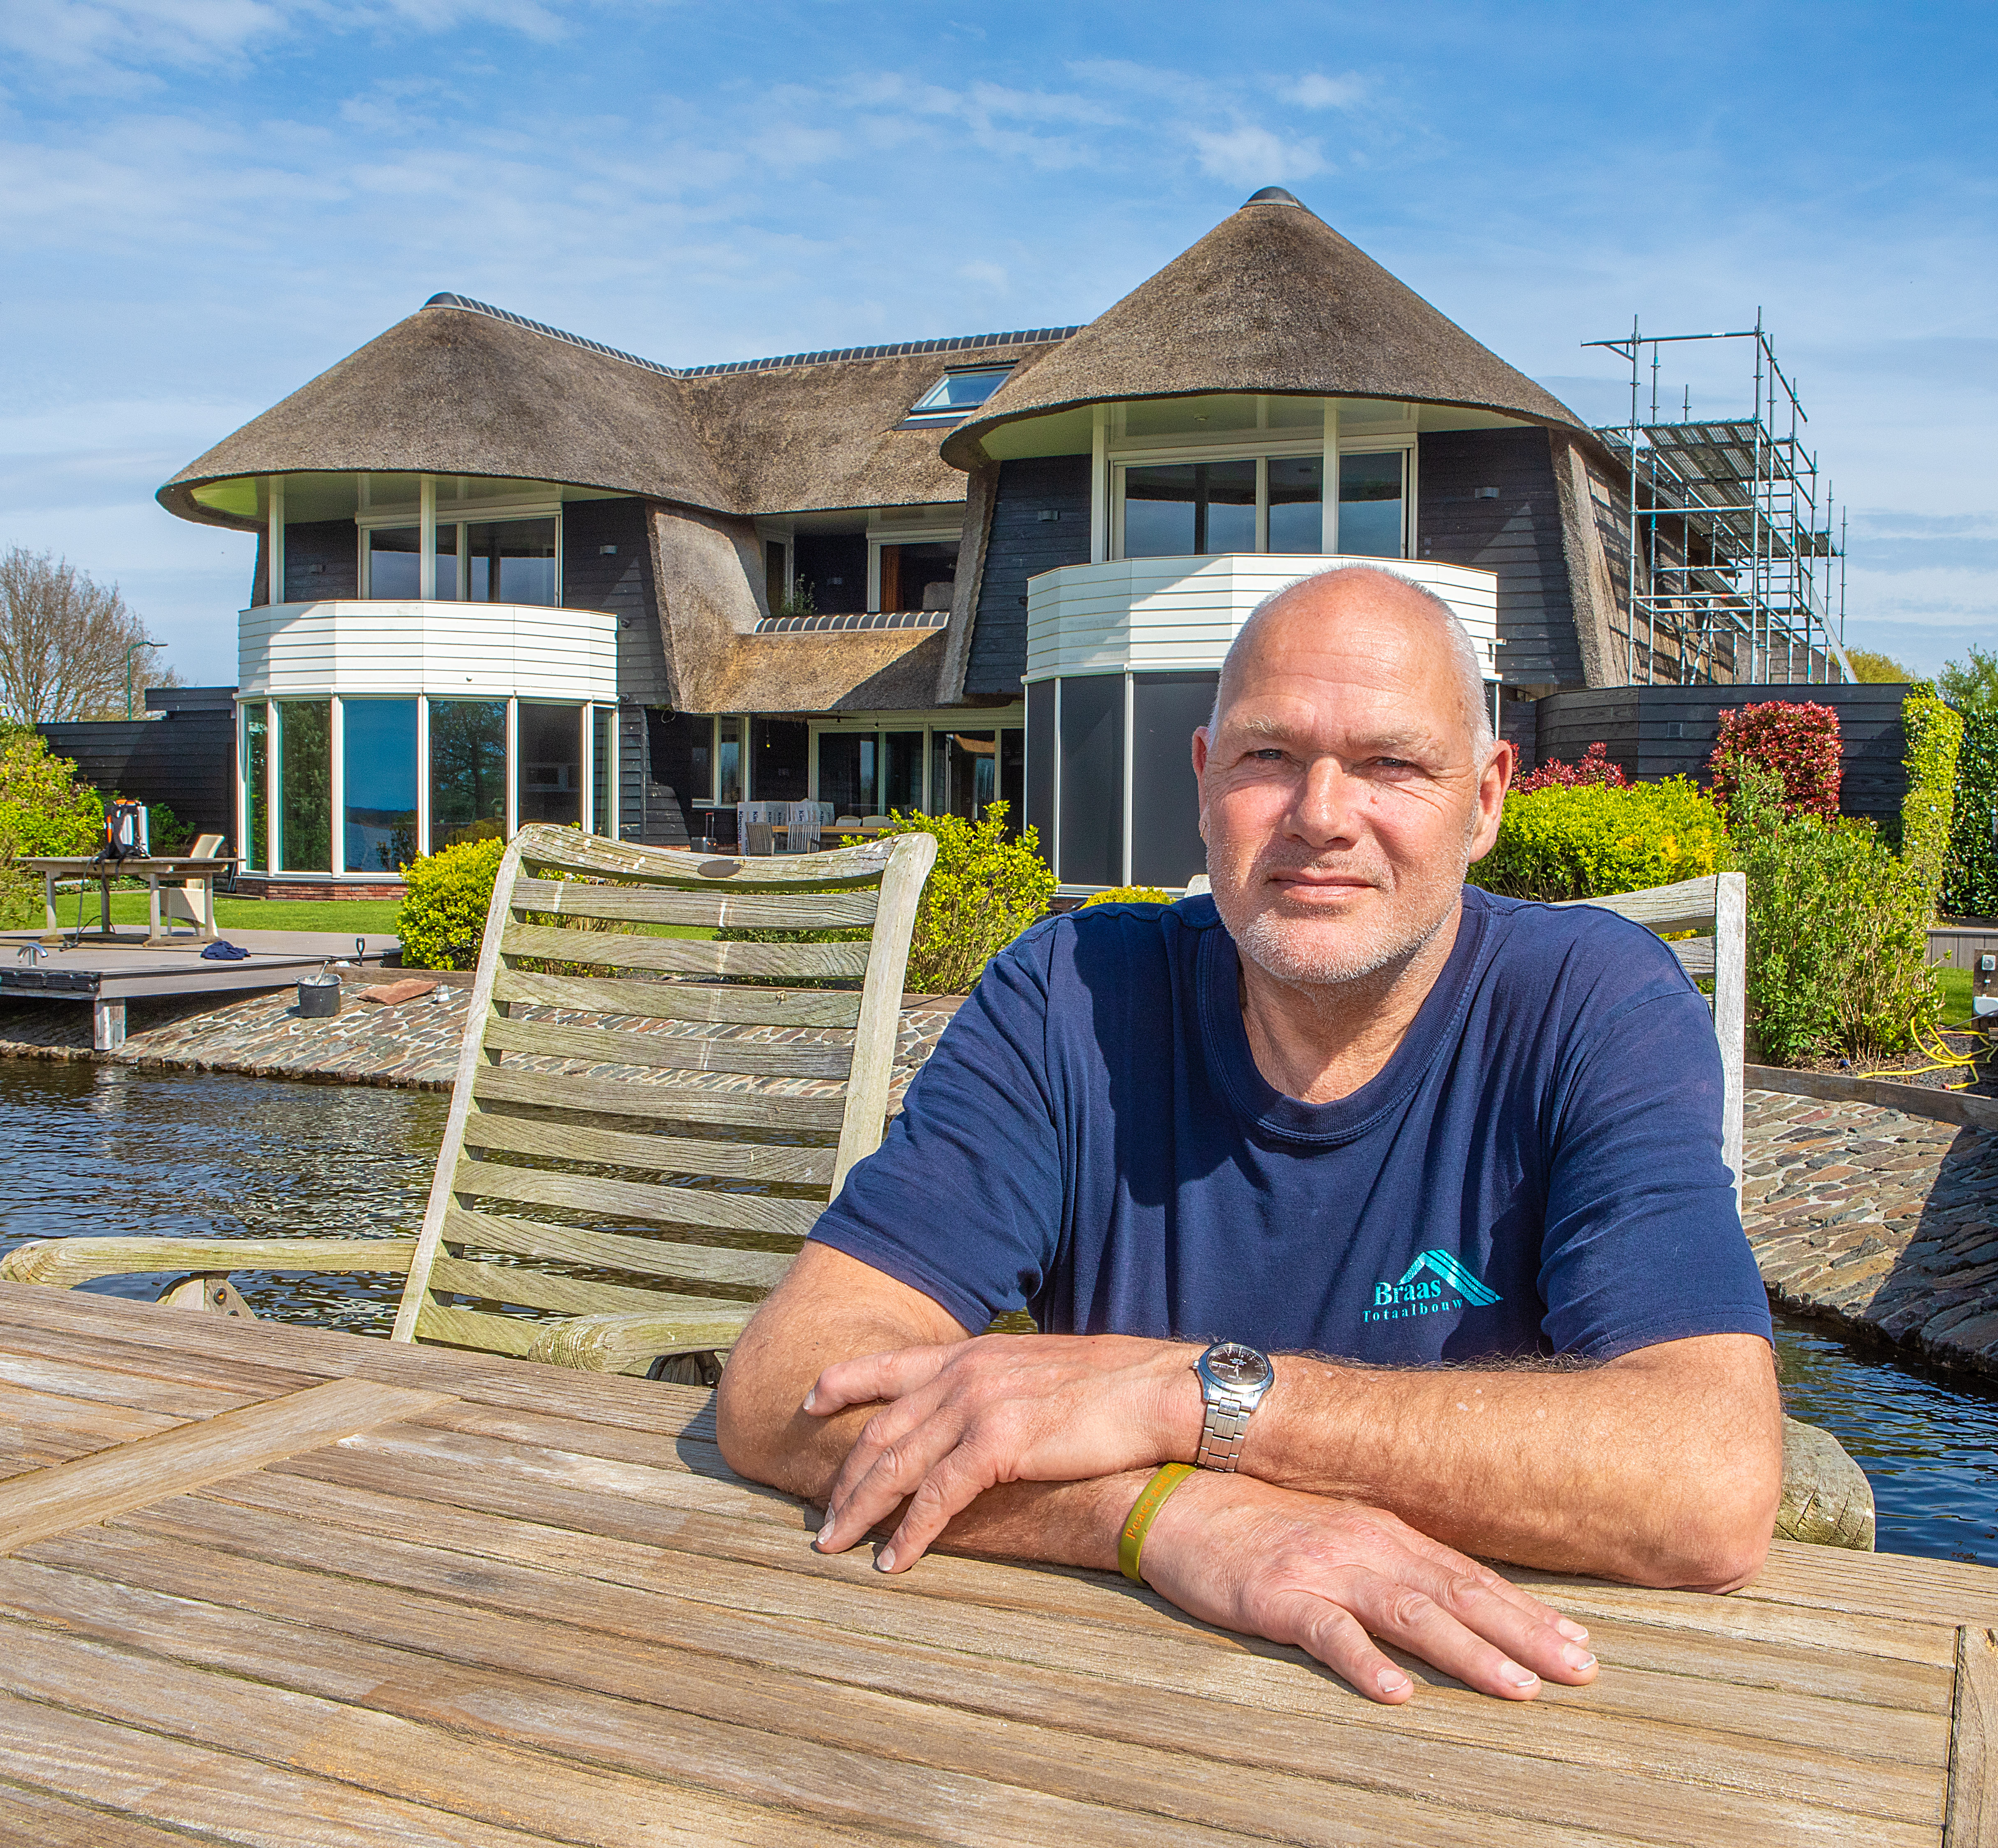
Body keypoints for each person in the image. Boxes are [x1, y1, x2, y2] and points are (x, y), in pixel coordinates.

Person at [718, 564, 1782, 1706]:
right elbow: (787, 1384)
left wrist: (1188, 1398)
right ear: (1203, 779)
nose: (1321, 814)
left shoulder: (1595, 1006)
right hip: (1093, 1688)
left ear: (1485, 802)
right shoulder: (1072, 997)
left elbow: (1709, 1479)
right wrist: (1166, 1515)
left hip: (1478, 1704)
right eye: (1269, 756)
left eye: (1391, 764)